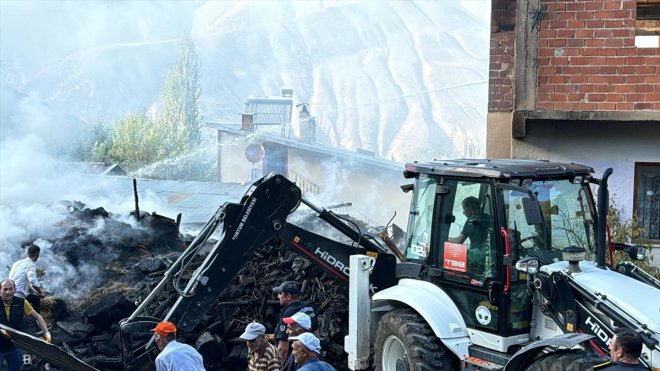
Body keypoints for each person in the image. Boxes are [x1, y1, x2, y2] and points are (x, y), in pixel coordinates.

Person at [0, 279, 51, 371]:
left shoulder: (21, 302)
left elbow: (37, 317)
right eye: (5, 289)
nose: (7, 292)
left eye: (10, 289)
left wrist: (46, 332)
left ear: (15, 290)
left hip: (15, 345)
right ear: (0, 290)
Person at [272, 281, 317, 362]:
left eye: (280, 293)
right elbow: (317, 334)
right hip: (310, 355)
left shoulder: (288, 314)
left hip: (294, 358)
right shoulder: (309, 307)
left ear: (288, 296)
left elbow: (283, 349)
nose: (278, 296)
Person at [9, 244, 45, 313]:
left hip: (10, 292)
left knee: (35, 299)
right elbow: (32, 280)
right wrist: (41, 292)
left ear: (27, 253)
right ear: (37, 255)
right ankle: (37, 321)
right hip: (18, 294)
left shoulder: (16, 263)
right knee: (17, 316)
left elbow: (28, 282)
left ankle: (37, 320)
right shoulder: (30, 265)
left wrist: (37, 292)